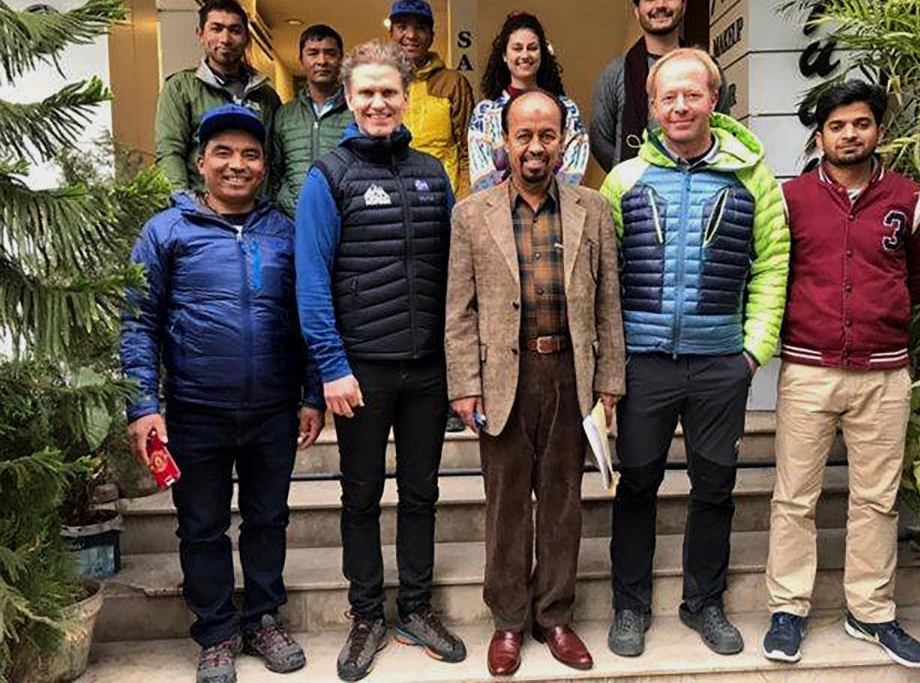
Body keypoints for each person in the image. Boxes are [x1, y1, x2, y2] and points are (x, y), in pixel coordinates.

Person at [122, 104, 323, 683]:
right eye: (224, 153)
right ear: (201, 161)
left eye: (251, 154)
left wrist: (311, 394)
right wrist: (143, 406)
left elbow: (308, 317)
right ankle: (215, 632)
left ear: (264, 165)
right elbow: (138, 323)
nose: (238, 165)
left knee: (268, 520)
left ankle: (263, 618)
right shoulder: (166, 232)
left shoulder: (284, 234)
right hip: (194, 409)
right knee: (201, 525)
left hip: (271, 410)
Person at [600, 48, 789, 658]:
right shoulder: (623, 179)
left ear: (714, 99)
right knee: (636, 486)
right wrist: (612, 362)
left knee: (715, 487)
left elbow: (772, 265)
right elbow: (604, 279)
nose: (680, 106)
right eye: (667, 98)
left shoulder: (751, 176)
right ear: (652, 109)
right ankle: (629, 606)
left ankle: (704, 602)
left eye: (692, 94)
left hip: (719, 364)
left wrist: (753, 352)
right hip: (645, 363)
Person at [294, 40, 466, 682]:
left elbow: (456, 275)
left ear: (406, 96)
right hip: (359, 369)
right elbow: (311, 281)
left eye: (388, 91)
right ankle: (366, 613)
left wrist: (458, 367)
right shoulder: (328, 176)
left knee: (422, 491)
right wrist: (330, 366)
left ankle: (415, 608)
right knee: (361, 494)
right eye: (365, 92)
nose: (377, 102)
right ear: (348, 96)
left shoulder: (432, 173)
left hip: (426, 369)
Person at [446, 90, 626, 677]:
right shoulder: (472, 213)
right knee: (505, 506)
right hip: (504, 376)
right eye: (523, 135)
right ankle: (507, 621)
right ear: (504, 141)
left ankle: (554, 615)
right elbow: (460, 311)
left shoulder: (591, 209)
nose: (534, 147)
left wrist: (609, 384)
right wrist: (464, 386)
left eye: (546, 135)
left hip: (569, 373)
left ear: (564, 142)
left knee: (561, 503)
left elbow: (607, 304)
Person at [762, 81, 920, 669]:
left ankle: (871, 611)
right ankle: (788, 607)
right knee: (794, 496)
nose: (849, 135)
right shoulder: (789, 199)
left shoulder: (912, 200)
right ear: (821, 135)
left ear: (878, 131)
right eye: (837, 127)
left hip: (884, 375)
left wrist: (881, 320)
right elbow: (775, 274)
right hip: (809, 370)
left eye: (860, 124)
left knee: (876, 500)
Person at [590, 0, 729, 172]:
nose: (660, 4)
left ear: (684, 4)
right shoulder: (616, 72)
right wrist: (632, 175)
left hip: (702, 187)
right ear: (637, 10)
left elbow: (724, 128)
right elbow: (600, 140)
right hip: (634, 194)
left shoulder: (708, 69)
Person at [155, 0, 282, 193]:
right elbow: (170, 152)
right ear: (200, 34)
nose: (225, 39)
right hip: (202, 210)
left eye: (235, 30)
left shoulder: (266, 95)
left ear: (246, 38)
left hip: (256, 212)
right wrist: (183, 204)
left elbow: (273, 157)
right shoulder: (180, 88)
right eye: (216, 29)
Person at [468, 12, 588, 193]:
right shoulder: (485, 113)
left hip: (559, 211)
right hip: (499, 215)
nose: (525, 55)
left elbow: (574, 171)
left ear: (543, 53)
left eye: (532, 48)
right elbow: (481, 174)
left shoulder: (567, 109)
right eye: (517, 48)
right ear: (504, 55)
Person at [388, 0, 474, 199]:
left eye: (420, 28)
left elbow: (468, 150)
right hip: (393, 199)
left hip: (441, 198)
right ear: (391, 34)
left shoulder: (453, 82)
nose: (411, 35)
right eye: (402, 27)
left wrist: (463, 201)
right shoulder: (380, 83)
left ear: (431, 36)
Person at [272, 23, 354, 213]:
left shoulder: (356, 111)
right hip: (292, 220)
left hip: (343, 219)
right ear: (301, 60)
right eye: (313, 53)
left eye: (330, 53)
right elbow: (274, 171)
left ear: (341, 60)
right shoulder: (284, 114)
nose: (322, 60)